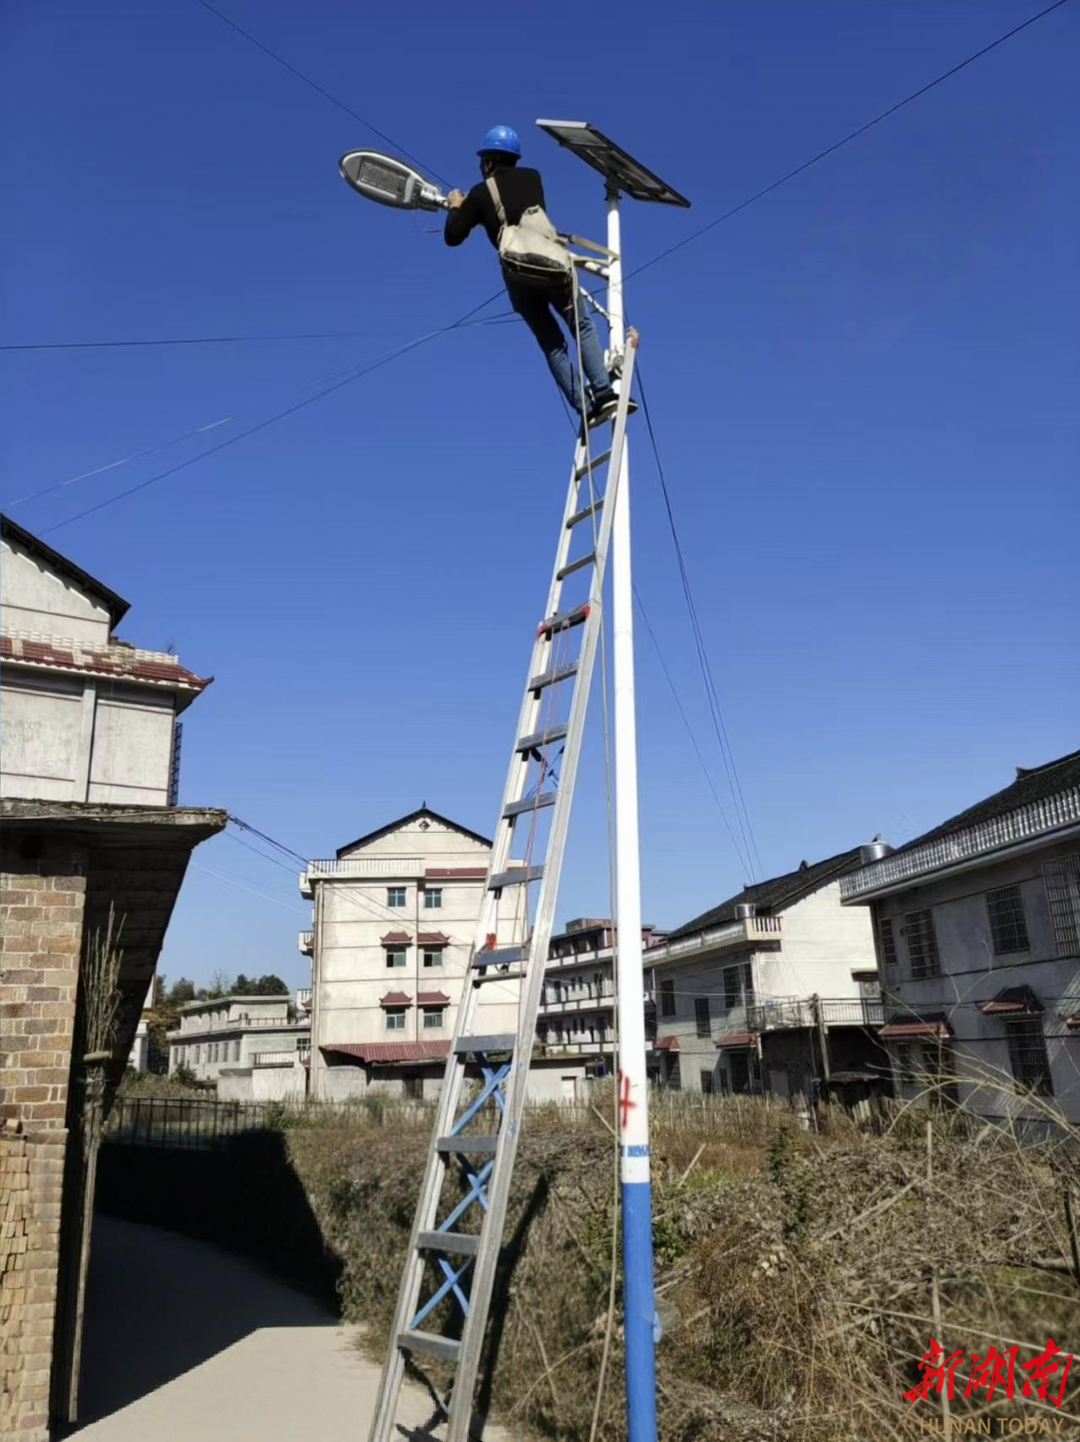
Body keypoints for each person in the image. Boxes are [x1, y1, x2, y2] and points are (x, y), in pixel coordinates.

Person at [444, 125, 629, 425]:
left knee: (552, 343)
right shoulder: (533, 177)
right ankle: (604, 392)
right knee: (581, 326)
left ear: (489, 161)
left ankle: (584, 407)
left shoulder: (479, 195)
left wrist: (456, 207)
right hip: (551, 264)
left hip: (518, 276)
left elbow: (452, 236)